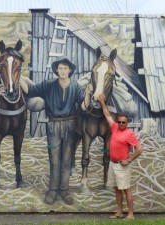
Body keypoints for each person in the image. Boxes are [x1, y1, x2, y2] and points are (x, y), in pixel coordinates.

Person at [20, 58, 88, 205]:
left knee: (67, 160)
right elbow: (30, 91)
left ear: (70, 71)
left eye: (65, 68)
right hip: (52, 127)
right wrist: (17, 76)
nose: (62, 71)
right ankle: (52, 190)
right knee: (54, 159)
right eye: (60, 68)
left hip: (70, 126)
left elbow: (83, 106)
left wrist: (88, 94)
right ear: (56, 70)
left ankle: (64, 190)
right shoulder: (48, 85)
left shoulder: (76, 87)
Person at [98, 94, 143, 220]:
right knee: (117, 189)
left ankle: (131, 214)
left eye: (123, 122)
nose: (121, 123)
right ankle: (119, 212)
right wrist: (102, 102)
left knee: (126, 189)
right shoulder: (115, 128)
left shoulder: (130, 134)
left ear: (127, 123)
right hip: (113, 164)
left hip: (122, 166)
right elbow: (107, 115)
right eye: (119, 122)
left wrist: (129, 160)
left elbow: (139, 149)